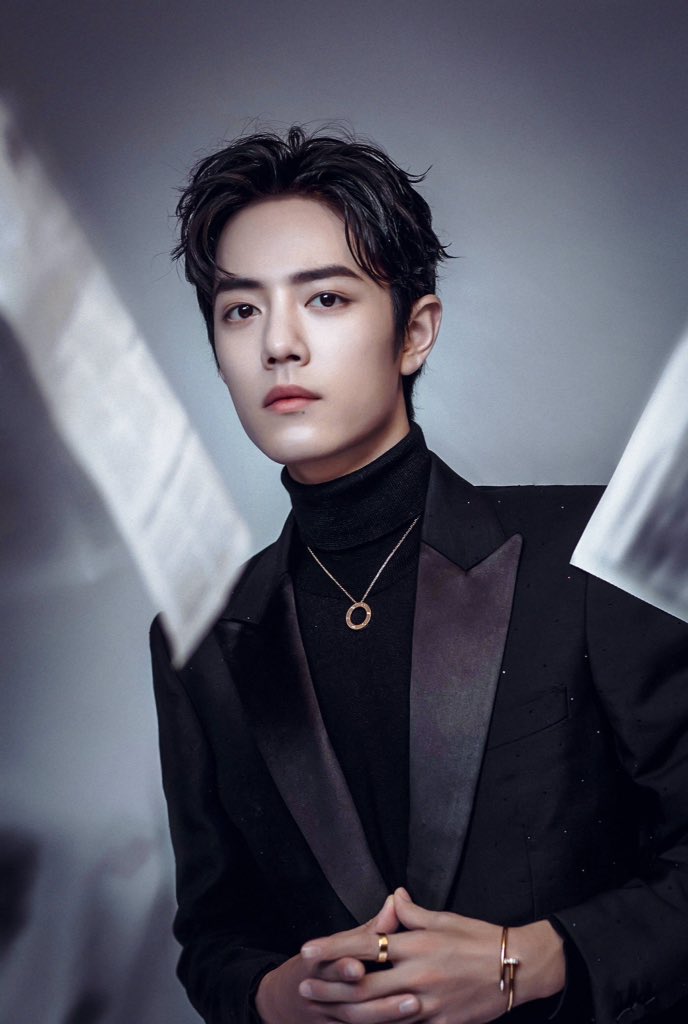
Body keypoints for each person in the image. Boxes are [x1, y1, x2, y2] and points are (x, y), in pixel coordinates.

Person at [150, 126, 688, 1024]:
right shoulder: (198, 637)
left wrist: (529, 961)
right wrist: (276, 996)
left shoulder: (592, 550)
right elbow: (213, 933)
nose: (279, 343)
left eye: (326, 298)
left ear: (416, 331)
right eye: (240, 310)